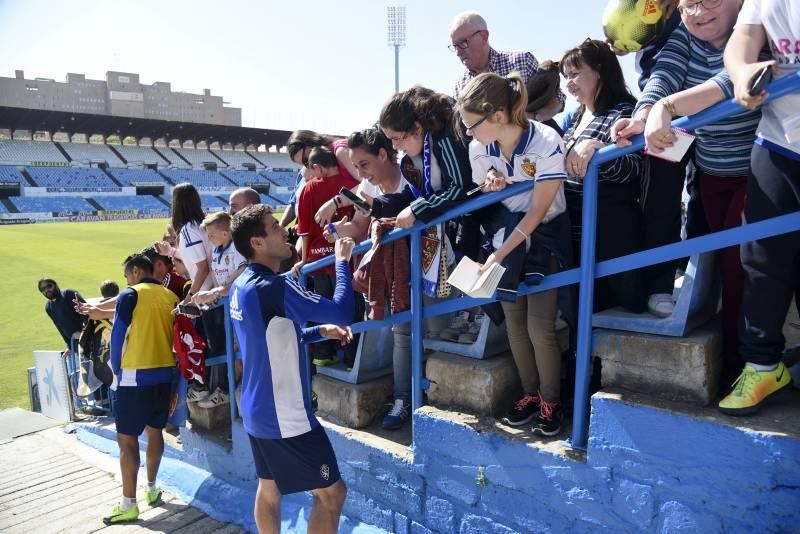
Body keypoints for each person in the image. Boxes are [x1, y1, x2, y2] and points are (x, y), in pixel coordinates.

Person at [614, 0, 763, 383]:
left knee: (740, 265)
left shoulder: (755, 23)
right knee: (718, 265)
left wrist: (667, 106)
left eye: (708, 0)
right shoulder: (683, 33)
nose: (698, 12)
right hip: (712, 172)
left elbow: (733, 82)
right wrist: (646, 113)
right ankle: (735, 364)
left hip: (756, 170)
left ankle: (744, 365)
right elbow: (665, 72)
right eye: (688, 3)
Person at [229, 204, 354, 534]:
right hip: (284, 414)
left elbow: (267, 339)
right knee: (332, 494)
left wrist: (316, 331)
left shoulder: (240, 285)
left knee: (269, 490)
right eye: (274, 227)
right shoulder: (276, 288)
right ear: (257, 242)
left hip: (255, 407)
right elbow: (342, 311)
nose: (285, 230)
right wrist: (342, 260)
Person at [459, 72, 572, 435]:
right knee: (515, 326)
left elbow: (539, 211)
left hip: (544, 237)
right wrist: (492, 180)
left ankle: (551, 400)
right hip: (504, 235)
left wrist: (497, 256)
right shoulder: (479, 148)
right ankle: (530, 394)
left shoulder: (545, 141)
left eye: (470, 124)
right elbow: (486, 187)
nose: (467, 133)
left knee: (540, 327)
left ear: (497, 116)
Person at [717, 0, 798, 415]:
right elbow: (741, 43)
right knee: (762, 260)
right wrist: (742, 71)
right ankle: (762, 365)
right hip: (780, 141)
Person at [560, 39, 647, 314]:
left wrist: (599, 153)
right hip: (573, 235)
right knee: (579, 317)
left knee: (609, 314)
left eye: (575, 73)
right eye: (566, 76)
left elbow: (633, 167)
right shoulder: (573, 119)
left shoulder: (623, 111)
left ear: (599, 70)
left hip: (608, 236)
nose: (569, 82)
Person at [102, 253, 179, 524]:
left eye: (126, 275)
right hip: (164, 375)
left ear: (135, 271)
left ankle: (128, 504)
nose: (126, 280)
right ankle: (153, 488)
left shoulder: (129, 295)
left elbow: (117, 336)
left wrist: (114, 375)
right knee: (155, 431)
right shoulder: (171, 297)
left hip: (134, 376)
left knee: (126, 439)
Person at [294, 146, 362, 368]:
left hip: (318, 262)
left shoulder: (307, 190)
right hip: (347, 257)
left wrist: (304, 260)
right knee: (352, 308)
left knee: (321, 308)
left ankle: (324, 354)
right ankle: (353, 358)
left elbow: (303, 230)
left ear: (317, 168)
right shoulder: (350, 184)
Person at [449, 11, 565, 120]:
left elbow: (557, 97)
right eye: (454, 47)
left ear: (484, 36)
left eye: (463, 43)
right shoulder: (460, 86)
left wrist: (536, 118)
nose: (458, 52)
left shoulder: (521, 61)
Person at [283, 130, 359, 228]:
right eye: (305, 164)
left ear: (312, 142)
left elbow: (369, 186)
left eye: (306, 159)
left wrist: (335, 202)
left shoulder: (340, 152)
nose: (309, 166)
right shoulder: (326, 162)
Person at [39, 278, 85, 350]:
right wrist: (69, 346)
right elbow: (59, 328)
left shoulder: (69, 294)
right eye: (43, 289)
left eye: (49, 286)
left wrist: (83, 332)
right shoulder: (48, 307)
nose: (47, 290)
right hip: (74, 344)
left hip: (88, 338)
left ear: (55, 285)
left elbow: (86, 313)